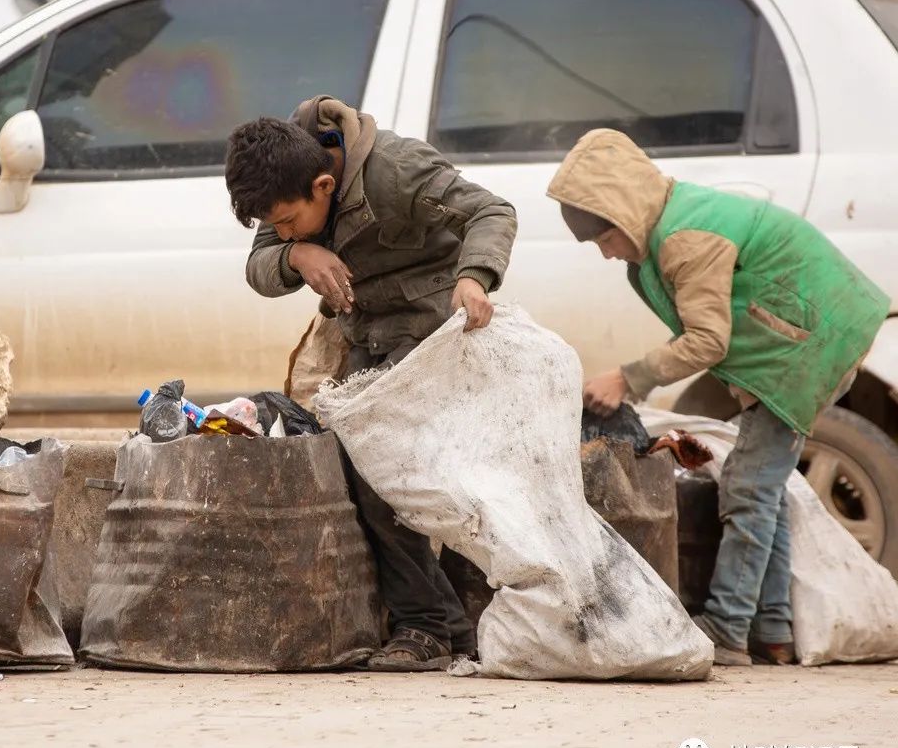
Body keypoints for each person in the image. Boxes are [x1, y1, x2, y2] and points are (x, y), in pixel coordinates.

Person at [547, 128, 888, 666]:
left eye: (604, 240)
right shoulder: (672, 227)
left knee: (748, 490)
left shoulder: (686, 237)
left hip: (806, 348)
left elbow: (708, 339)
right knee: (761, 492)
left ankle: (728, 627)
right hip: (795, 345)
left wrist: (628, 378)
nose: (608, 255)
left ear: (625, 214)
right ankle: (772, 631)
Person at [225, 95, 517, 670]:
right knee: (364, 474)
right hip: (366, 333)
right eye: (273, 224)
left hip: (434, 328)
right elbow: (260, 265)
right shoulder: (281, 179)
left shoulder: (398, 168)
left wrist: (475, 277)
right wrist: (297, 253)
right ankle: (443, 627)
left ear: (325, 185)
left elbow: (492, 212)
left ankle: (430, 626)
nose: (278, 230)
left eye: (287, 221)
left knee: (390, 478)